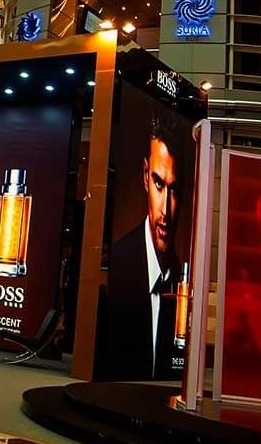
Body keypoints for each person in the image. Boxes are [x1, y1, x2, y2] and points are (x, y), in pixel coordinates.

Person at [96, 125, 184, 380]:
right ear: (146, 176)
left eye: (174, 190)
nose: (165, 210)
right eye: (159, 183)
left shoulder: (180, 279)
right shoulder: (120, 259)